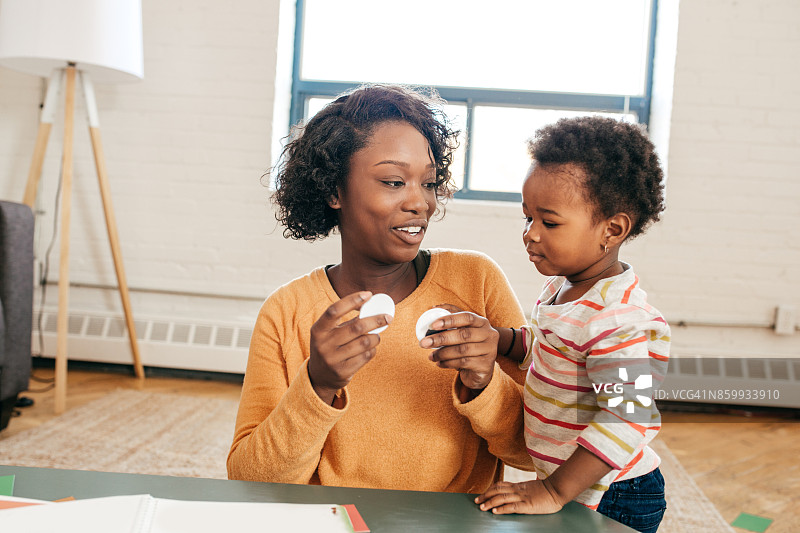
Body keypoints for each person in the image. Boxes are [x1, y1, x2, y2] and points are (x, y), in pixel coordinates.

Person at [227, 84, 533, 493]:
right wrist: (317, 385)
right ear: (334, 191)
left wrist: (485, 383)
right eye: (393, 181)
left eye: (428, 183)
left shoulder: (476, 280)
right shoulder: (287, 311)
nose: (420, 203)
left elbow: (535, 454)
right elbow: (251, 481)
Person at [440, 116, 669, 532]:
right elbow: (550, 347)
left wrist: (555, 491)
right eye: (527, 218)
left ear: (612, 230)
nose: (530, 234)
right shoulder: (562, 290)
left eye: (549, 222)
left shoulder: (616, 318)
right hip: (575, 479)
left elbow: (629, 417)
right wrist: (500, 340)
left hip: (614, 491)